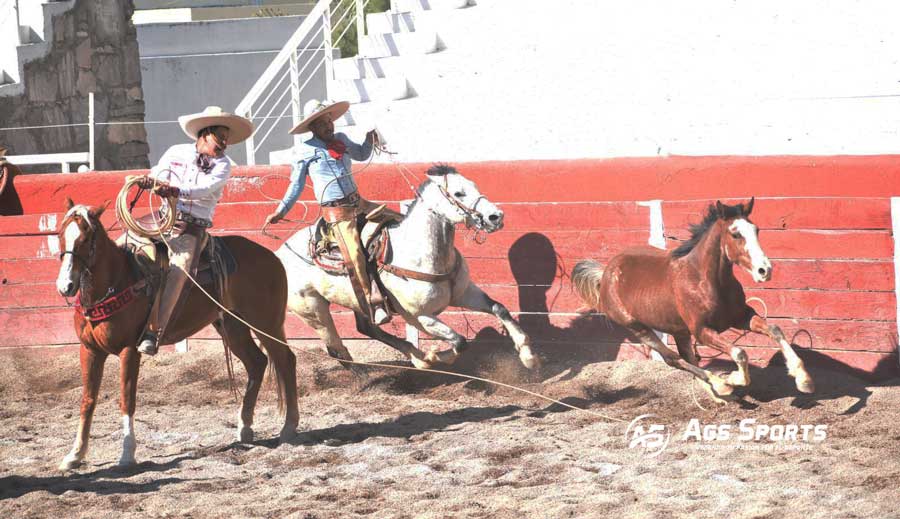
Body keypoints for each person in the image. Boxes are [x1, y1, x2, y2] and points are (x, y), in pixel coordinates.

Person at [265, 99, 398, 325]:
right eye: (323, 123)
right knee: (354, 254)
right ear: (313, 127)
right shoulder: (304, 151)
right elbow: (295, 185)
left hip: (360, 202)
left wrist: (369, 139)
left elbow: (362, 154)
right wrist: (281, 210)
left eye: (330, 120)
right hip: (337, 213)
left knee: (399, 220)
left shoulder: (342, 140)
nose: (329, 126)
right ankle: (373, 302)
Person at [135, 106, 253, 355]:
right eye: (221, 136)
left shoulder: (223, 165)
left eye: (227, 138)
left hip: (192, 228)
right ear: (205, 133)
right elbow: (157, 172)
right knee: (123, 242)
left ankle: (154, 331)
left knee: (182, 264)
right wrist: (149, 180)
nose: (225, 143)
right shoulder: (175, 152)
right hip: (164, 218)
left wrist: (175, 190)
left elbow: (205, 189)